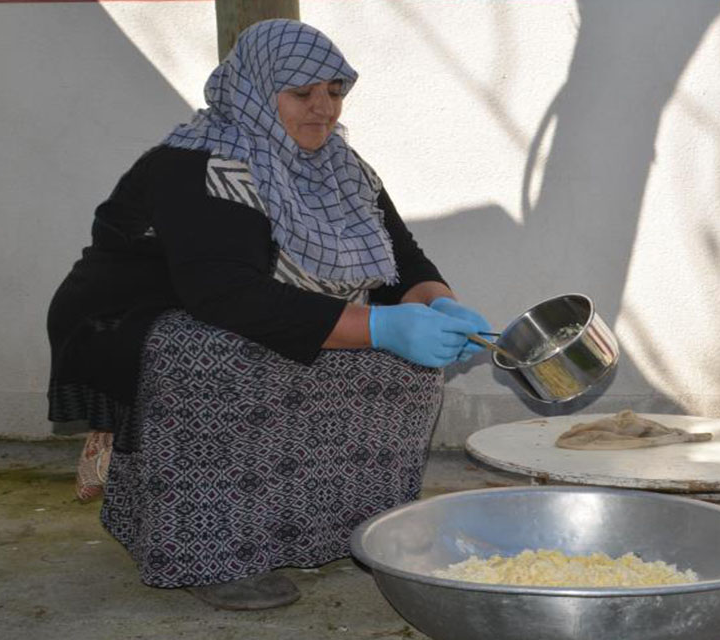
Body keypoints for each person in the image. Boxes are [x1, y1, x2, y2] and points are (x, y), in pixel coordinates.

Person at [45, 19, 490, 610]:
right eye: (302, 94)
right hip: (133, 318)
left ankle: (352, 529)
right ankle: (210, 552)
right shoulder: (200, 162)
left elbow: (404, 262)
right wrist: (383, 326)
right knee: (222, 353)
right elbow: (226, 296)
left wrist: (439, 306)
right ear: (256, 89)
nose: (324, 109)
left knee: (398, 367)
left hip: (236, 308)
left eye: (334, 91)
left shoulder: (340, 166)